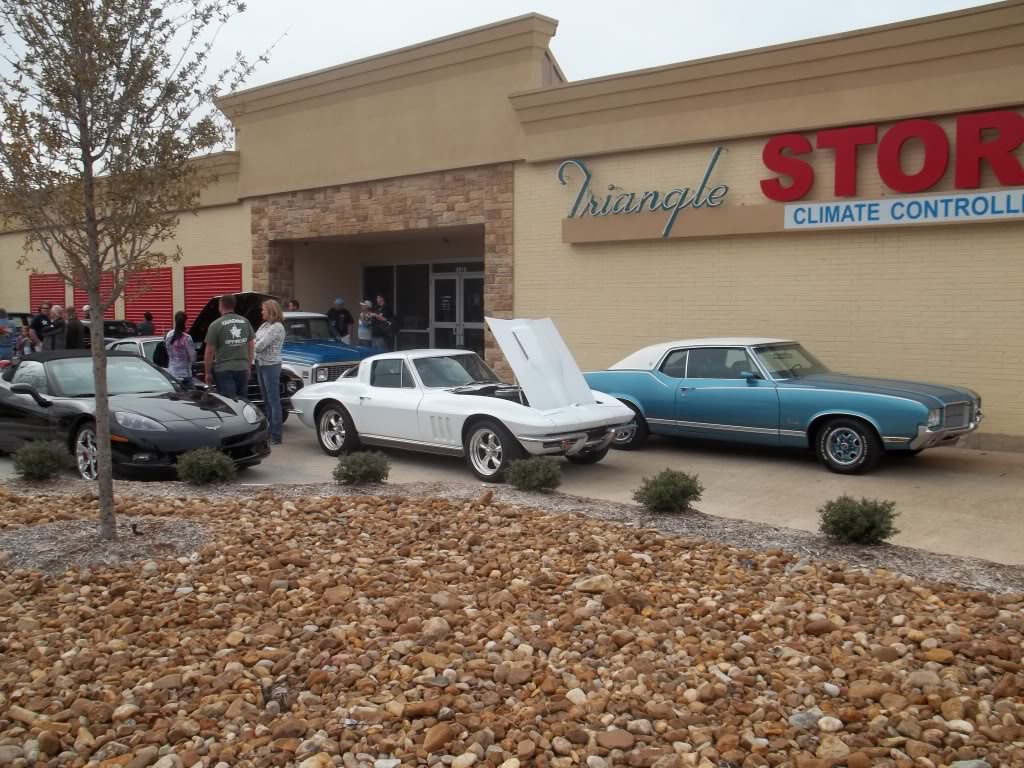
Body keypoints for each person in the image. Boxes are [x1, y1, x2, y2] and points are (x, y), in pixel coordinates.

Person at [203, 294, 254, 399]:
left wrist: (207, 372)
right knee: (243, 402)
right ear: (234, 305)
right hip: (242, 368)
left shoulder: (216, 324)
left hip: (224, 370)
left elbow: (210, 351)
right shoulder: (245, 322)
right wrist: (248, 367)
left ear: (221, 305)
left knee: (230, 404)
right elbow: (251, 346)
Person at [254, 299, 286, 445]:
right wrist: (253, 343)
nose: (261, 312)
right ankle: (269, 431)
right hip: (260, 364)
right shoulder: (265, 325)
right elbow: (253, 339)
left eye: (264, 309)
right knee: (266, 400)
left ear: (272, 311)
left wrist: (253, 343)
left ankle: (276, 435)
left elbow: (258, 345)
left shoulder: (277, 327)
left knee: (273, 400)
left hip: (271, 365)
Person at [165, 311, 197, 389]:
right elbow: (192, 357)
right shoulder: (187, 338)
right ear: (186, 322)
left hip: (172, 374)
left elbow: (168, 351)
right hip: (185, 375)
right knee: (193, 397)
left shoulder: (169, 335)